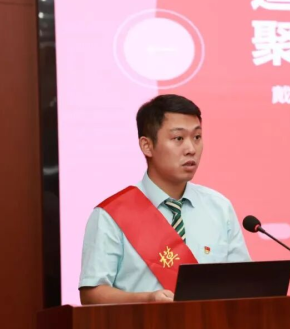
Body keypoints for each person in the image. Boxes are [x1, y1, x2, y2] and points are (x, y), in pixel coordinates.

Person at [79, 94, 251, 304]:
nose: (191, 149)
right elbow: (91, 295)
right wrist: (147, 300)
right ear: (147, 146)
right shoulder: (111, 215)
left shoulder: (219, 207)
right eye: (178, 138)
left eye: (197, 137)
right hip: (143, 324)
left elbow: (244, 284)